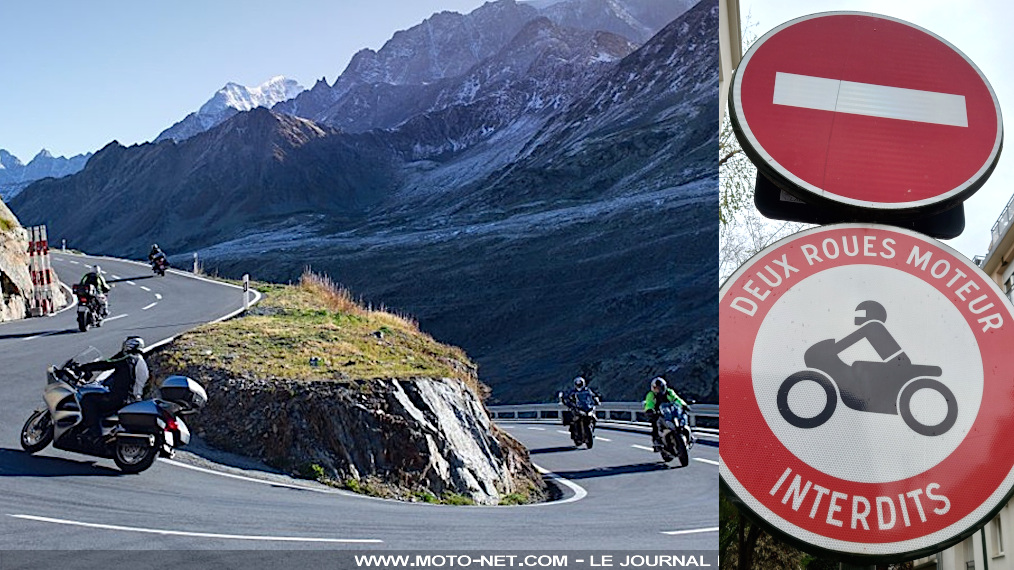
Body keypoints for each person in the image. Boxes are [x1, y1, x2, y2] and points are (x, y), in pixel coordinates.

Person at [77, 337, 149, 442]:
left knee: (88, 399)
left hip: (120, 398)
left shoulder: (127, 358)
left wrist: (84, 367)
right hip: (135, 400)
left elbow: (107, 363)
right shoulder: (142, 363)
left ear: (129, 345)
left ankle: (94, 433)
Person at [644, 376, 689, 451]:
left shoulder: (669, 392)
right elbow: (649, 403)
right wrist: (649, 410)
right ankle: (657, 442)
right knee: (655, 424)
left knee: (682, 416)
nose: (659, 390)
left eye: (660, 387)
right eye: (657, 388)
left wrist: (683, 405)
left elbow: (676, 398)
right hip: (659, 413)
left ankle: (687, 434)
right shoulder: (651, 395)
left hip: (670, 411)